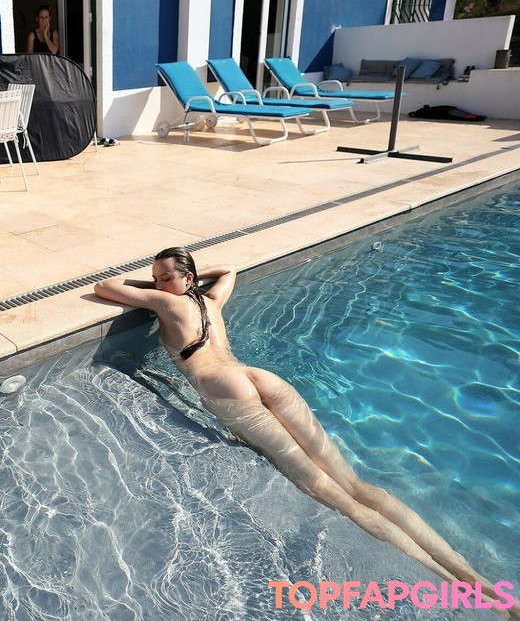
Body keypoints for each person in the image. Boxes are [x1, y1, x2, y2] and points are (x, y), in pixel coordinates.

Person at [94, 247, 515, 614]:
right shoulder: (212, 300)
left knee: (333, 495)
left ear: (186, 278)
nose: (159, 285)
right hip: (260, 377)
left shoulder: (166, 303)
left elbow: (105, 287)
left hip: (226, 388)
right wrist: (187, 278)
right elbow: (228, 270)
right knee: (355, 484)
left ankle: (457, 586)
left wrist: (156, 288)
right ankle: (478, 579)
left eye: (165, 277)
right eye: (156, 279)